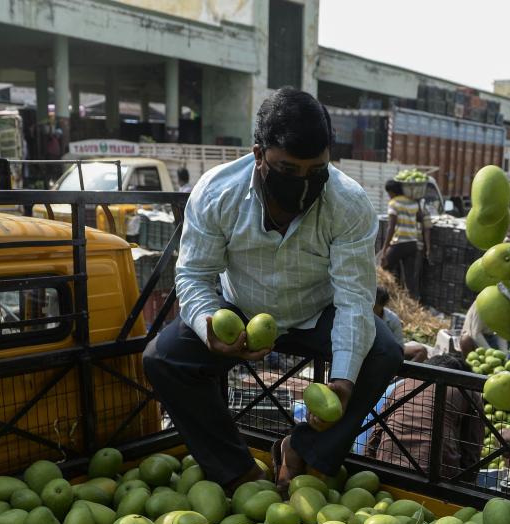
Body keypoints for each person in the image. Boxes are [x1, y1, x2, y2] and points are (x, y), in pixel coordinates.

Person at [143, 87, 403, 494]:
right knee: (164, 358)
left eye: (315, 171)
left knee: (384, 351)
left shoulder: (348, 203)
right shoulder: (217, 192)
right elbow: (194, 276)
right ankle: (238, 472)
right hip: (239, 307)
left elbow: (354, 299)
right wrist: (209, 324)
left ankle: (303, 450)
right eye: (288, 169)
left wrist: (344, 381)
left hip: (318, 311)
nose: (302, 183)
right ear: (259, 154)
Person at [366, 353, 484, 480]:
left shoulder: (401, 386)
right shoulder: (469, 393)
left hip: (386, 466)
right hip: (437, 477)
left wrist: (370, 471)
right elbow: (471, 454)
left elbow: (376, 434)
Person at [379, 179, 430, 300]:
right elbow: (420, 218)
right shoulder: (413, 202)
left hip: (399, 243)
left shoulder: (393, 203)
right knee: (409, 279)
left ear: (391, 191)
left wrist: (384, 249)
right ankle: (412, 304)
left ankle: (385, 298)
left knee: (383, 270)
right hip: (412, 244)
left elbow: (391, 227)